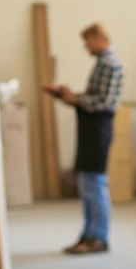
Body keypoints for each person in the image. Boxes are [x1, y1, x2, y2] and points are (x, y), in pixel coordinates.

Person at [43, 23, 124, 255]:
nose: (86, 47)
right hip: (91, 129)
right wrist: (69, 96)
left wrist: (75, 100)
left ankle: (98, 237)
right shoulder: (102, 63)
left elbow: (104, 103)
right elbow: (94, 96)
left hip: (99, 129)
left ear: (99, 38)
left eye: (87, 41)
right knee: (88, 186)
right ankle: (88, 235)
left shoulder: (110, 64)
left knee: (95, 185)